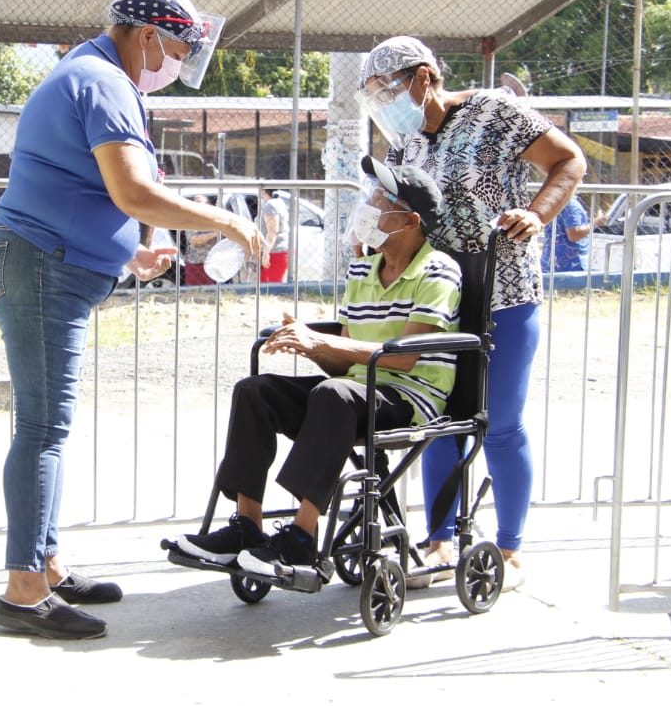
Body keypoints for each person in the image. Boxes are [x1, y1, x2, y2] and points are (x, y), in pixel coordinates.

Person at [0, 0, 261, 640]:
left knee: (47, 426)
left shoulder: (88, 73)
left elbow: (73, 185)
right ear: (147, 35)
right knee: (43, 428)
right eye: (178, 52)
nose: (177, 66)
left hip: (40, 260)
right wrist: (224, 219)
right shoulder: (104, 82)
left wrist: (125, 254)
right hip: (39, 265)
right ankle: (23, 588)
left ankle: (45, 564)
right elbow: (133, 191)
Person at [357, 35, 586, 591]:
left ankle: (509, 550)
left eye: (387, 90)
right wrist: (367, 235)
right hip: (441, 295)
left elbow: (568, 160)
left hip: (505, 288)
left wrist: (537, 214)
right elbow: (390, 206)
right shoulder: (404, 142)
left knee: (500, 422)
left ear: (422, 77)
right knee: (440, 419)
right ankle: (439, 542)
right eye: (374, 96)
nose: (384, 104)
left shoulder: (494, 110)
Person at [174, 160, 461, 576]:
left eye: (381, 201)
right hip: (354, 392)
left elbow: (403, 356)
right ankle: (246, 527)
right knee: (255, 391)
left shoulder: (438, 270)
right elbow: (344, 361)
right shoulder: (363, 268)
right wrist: (308, 345)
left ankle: (301, 537)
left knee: (333, 395)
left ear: (409, 221)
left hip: (408, 397)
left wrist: (323, 342)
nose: (369, 207)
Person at [540, 198, 603, 273]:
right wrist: (596, 223)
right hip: (570, 265)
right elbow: (574, 234)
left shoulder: (554, 203)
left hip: (551, 261)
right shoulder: (571, 205)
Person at [181, 195, 219, 286]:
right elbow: (194, 240)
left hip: (215, 263)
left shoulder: (216, 220)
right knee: (195, 292)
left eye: (200, 203)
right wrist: (216, 233)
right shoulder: (191, 220)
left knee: (215, 292)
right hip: (196, 264)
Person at [258, 186, 290, 282]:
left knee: (269, 287)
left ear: (263, 191)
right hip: (279, 251)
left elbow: (272, 232)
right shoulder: (279, 202)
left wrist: (266, 254)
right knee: (271, 286)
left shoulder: (270, 205)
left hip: (273, 252)